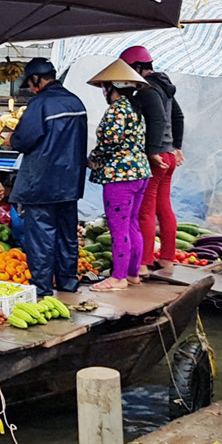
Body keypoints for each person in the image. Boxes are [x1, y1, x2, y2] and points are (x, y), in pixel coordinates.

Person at [2, 58, 87, 298]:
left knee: (42, 238)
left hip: (42, 183)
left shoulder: (40, 104)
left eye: (30, 82)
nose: (30, 87)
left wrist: (10, 139)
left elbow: (24, 140)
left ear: (37, 79)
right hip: (70, 183)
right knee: (67, 235)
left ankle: (41, 289)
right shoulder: (75, 102)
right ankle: (68, 284)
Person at [85, 60, 152, 291]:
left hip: (120, 176)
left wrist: (93, 157)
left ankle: (118, 277)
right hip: (140, 172)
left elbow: (109, 143)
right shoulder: (135, 109)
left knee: (118, 227)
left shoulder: (116, 110)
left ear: (113, 87)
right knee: (132, 223)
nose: (104, 91)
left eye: (105, 87)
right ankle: (133, 273)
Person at [119, 45, 185, 273]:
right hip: (169, 155)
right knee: (163, 206)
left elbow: (156, 120)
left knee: (145, 210)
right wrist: (176, 146)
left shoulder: (147, 91)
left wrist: (152, 152)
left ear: (138, 67)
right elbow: (177, 116)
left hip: (156, 158)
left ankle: (144, 262)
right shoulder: (164, 87)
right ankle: (167, 258)